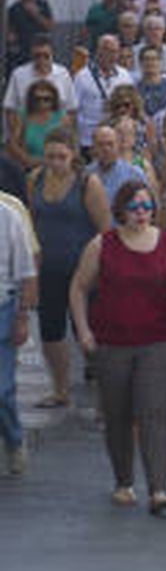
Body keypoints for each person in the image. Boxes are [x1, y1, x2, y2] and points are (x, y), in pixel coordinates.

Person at [69, 181, 166, 512]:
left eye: (147, 206)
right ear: (120, 210)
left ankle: (159, 488)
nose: (141, 213)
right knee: (118, 414)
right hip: (113, 340)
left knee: (154, 411)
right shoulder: (103, 244)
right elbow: (79, 287)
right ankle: (123, 481)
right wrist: (83, 330)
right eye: (134, 207)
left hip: (160, 338)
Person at [28, 129, 111, 407]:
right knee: (50, 330)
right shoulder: (36, 178)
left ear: (73, 155)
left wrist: (100, 269)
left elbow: (104, 229)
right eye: (50, 156)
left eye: (61, 157)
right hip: (48, 267)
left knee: (86, 330)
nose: (55, 163)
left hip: (82, 269)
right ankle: (60, 388)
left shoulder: (88, 183)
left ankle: (105, 393)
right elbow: (32, 221)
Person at [0, 193, 35, 475]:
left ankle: (13, 438)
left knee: (2, 389)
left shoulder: (9, 216)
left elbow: (26, 271)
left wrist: (23, 316)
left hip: (3, 308)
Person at [4, 35, 77, 145]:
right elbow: (10, 109)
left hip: (56, 140)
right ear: (31, 55)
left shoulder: (63, 74)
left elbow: (71, 110)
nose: (41, 59)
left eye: (46, 56)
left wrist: (66, 138)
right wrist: (16, 139)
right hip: (26, 138)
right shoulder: (18, 75)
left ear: (52, 55)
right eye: (37, 56)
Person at [74, 34, 135, 144]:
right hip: (88, 139)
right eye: (107, 51)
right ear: (98, 51)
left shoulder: (125, 75)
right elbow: (74, 110)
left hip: (116, 140)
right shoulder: (82, 77)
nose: (111, 56)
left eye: (115, 52)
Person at [8, 79, 67, 170]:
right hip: (30, 165)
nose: (42, 102)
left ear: (54, 99)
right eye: (37, 99)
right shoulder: (23, 114)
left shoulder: (61, 116)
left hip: (55, 165)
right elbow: (13, 143)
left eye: (46, 99)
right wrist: (26, 158)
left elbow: (69, 144)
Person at [6, 0, 54, 71]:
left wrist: (36, 14)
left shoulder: (42, 4)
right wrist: (11, 37)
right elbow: (10, 31)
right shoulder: (14, 9)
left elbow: (50, 26)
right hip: (22, 52)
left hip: (41, 50)